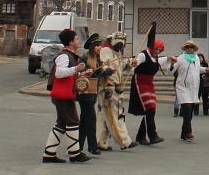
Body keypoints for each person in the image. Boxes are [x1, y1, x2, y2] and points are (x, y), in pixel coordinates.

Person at [41, 28, 93, 163]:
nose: (79, 40)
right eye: (76, 39)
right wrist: (76, 69)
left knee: (62, 124)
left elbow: (68, 75)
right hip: (63, 95)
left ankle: (49, 154)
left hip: (64, 94)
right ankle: (74, 153)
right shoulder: (65, 55)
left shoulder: (69, 55)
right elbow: (59, 73)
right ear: (70, 42)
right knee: (74, 121)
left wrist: (81, 74)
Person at [128, 36, 177, 145]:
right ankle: (153, 135)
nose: (158, 51)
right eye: (156, 49)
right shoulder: (143, 55)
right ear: (152, 47)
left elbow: (162, 60)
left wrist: (170, 58)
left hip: (149, 84)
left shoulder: (156, 58)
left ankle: (140, 136)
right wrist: (133, 64)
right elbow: (132, 66)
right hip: (139, 82)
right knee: (149, 108)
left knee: (151, 109)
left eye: (160, 50)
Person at [96, 33, 138, 151]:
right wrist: (108, 70)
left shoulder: (115, 53)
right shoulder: (105, 51)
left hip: (114, 88)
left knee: (105, 116)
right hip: (108, 88)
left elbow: (119, 65)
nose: (120, 45)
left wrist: (129, 62)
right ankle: (124, 141)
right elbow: (102, 66)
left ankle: (101, 141)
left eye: (121, 43)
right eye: (118, 42)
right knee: (115, 115)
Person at [76, 34, 115, 156]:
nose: (100, 47)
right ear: (92, 47)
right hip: (85, 93)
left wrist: (109, 71)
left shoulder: (98, 60)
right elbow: (84, 74)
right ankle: (92, 147)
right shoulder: (84, 59)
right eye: (97, 45)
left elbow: (99, 75)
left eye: (100, 45)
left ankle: (77, 146)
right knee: (91, 119)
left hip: (93, 93)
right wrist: (87, 71)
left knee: (84, 121)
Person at [169, 40, 209, 142]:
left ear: (194, 49)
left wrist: (205, 70)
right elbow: (171, 70)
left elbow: (197, 69)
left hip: (193, 89)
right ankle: (189, 132)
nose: (190, 49)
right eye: (188, 47)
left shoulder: (197, 58)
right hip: (183, 88)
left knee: (190, 112)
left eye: (191, 47)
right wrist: (172, 65)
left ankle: (183, 134)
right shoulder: (180, 58)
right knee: (187, 110)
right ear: (185, 49)